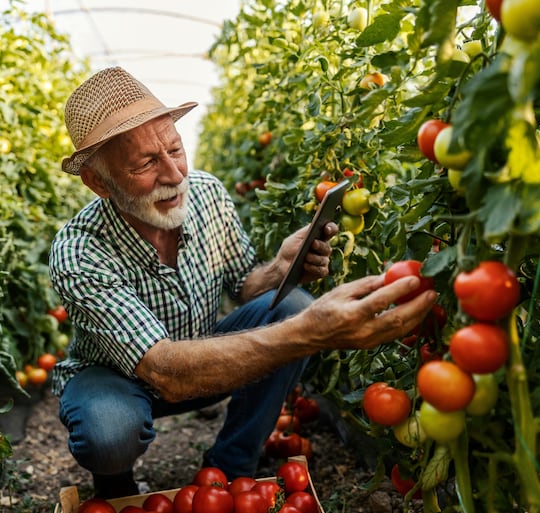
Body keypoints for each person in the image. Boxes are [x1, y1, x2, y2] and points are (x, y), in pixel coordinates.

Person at [49, 67, 437, 498]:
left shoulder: (208, 195)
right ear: (99, 181)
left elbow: (243, 284)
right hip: (118, 379)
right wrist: (309, 333)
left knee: (289, 306)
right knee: (109, 430)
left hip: (204, 361)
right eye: (145, 162)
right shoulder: (80, 251)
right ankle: (116, 485)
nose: (174, 174)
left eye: (175, 149)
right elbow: (161, 370)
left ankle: (230, 468)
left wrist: (281, 269)